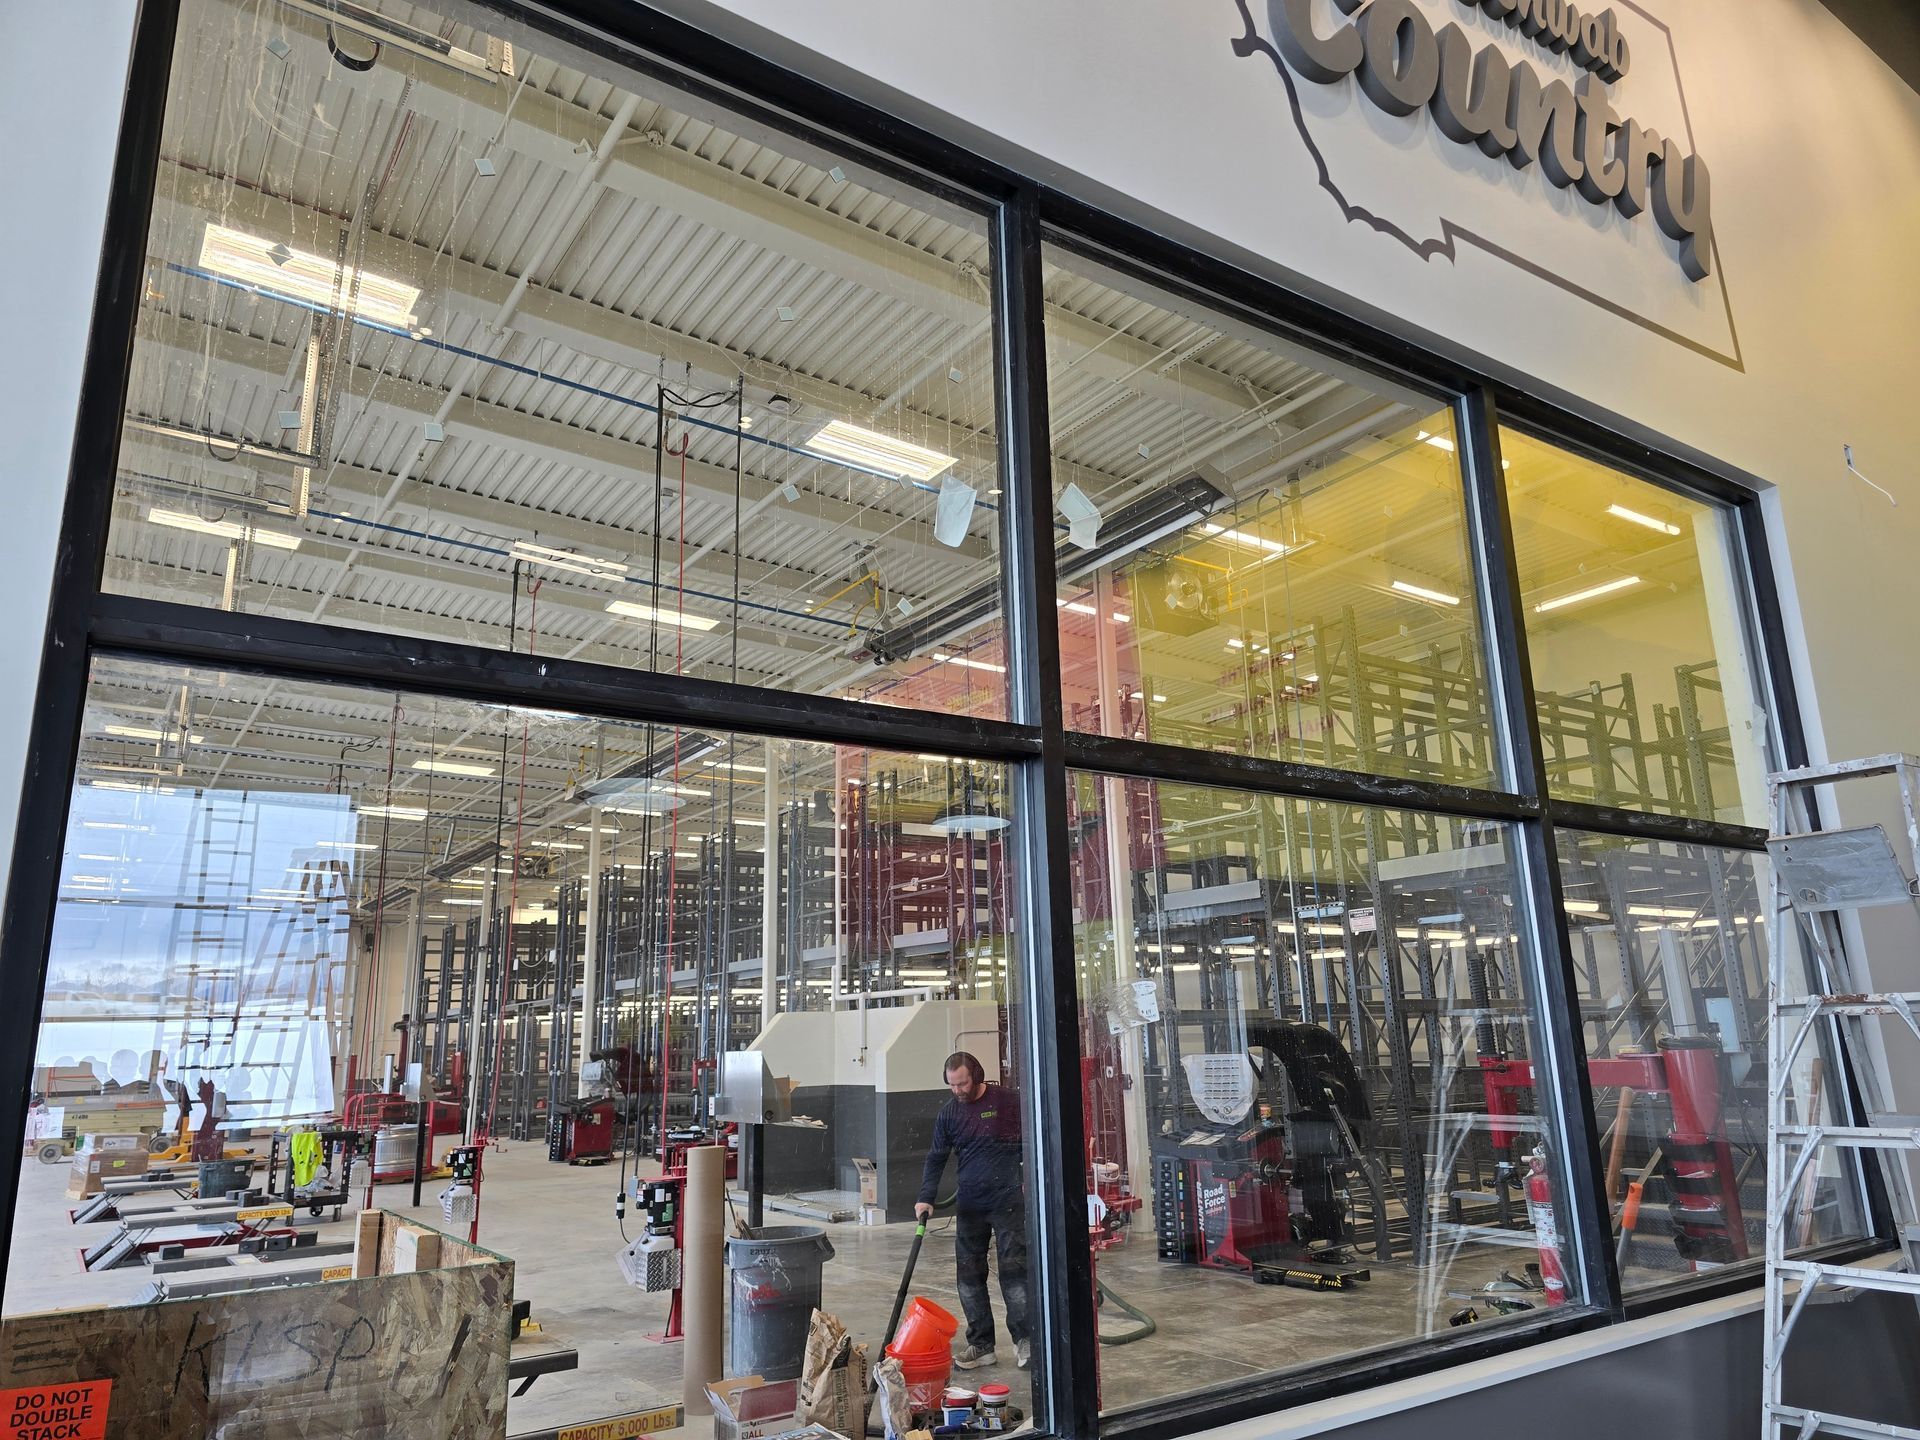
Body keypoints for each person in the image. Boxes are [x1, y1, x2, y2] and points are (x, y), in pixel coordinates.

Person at [916, 1050, 1028, 1371]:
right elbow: (936, 1157)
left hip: (1008, 1201)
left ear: (976, 1076)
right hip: (970, 1205)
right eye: (952, 1086)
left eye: (962, 1084)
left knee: (1014, 1271)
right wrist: (926, 1197)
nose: (958, 1091)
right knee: (969, 1276)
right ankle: (981, 1345)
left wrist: (1030, 1177)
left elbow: (1032, 1138)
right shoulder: (949, 1115)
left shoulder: (1007, 1101)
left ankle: (1026, 1340)